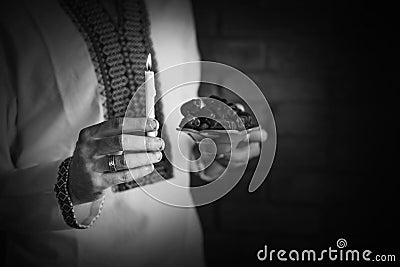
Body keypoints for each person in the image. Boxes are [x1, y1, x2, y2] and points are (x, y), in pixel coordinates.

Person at [0, 0, 267, 266]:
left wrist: (214, 150)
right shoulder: (14, 16)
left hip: (181, 247)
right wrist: (70, 186)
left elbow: (178, 131)